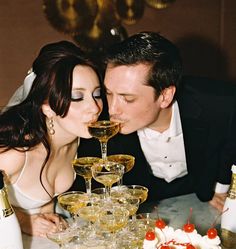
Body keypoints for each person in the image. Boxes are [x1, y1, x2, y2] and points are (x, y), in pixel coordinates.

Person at [77, 31, 236, 212]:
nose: (112, 110)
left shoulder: (220, 106)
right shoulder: (96, 116)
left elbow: (230, 145)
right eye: (108, 93)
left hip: (198, 194)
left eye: (127, 98)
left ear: (165, 96)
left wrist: (221, 189)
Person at [0, 40, 103, 237]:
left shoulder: (75, 139)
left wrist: (47, 213)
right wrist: (23, 221)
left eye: (97, 94)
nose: (95, 107)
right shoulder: (15, 154)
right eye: (77, 97)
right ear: (46, 107)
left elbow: (46, 196)